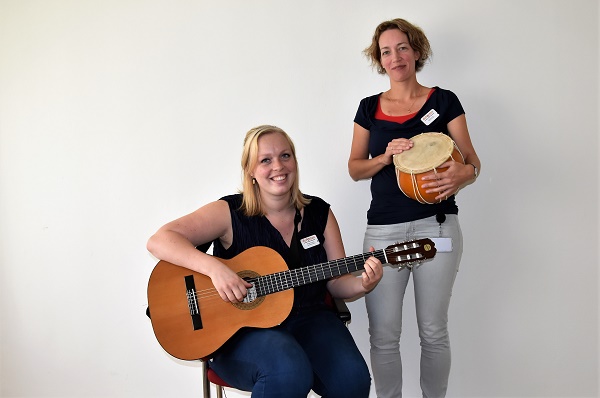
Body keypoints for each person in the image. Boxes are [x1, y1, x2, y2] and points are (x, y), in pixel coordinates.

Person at [148, 124, 383, 398]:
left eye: (285, 156)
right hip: (240, 331)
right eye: (265, 160)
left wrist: (363, 284)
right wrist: (215, 269)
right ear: (250, 170)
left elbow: (336, 281)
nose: (278, 167)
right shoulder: (230, 212)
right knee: (287, 370)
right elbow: (160, 240)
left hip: (310, 318)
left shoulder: (320, 214)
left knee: (353, 381)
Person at [347, 18, 481, 398]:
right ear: (380, 59)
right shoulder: (368, 108)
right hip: (383, 230)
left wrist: (463, 174)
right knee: (384, 335)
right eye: (386, 51)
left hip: (437, 228)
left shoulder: (444, 101)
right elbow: (355, 167)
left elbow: (472, 160)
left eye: (402, 48)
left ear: (417, 51)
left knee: (433, 331)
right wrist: (383, 158)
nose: (395, 57)